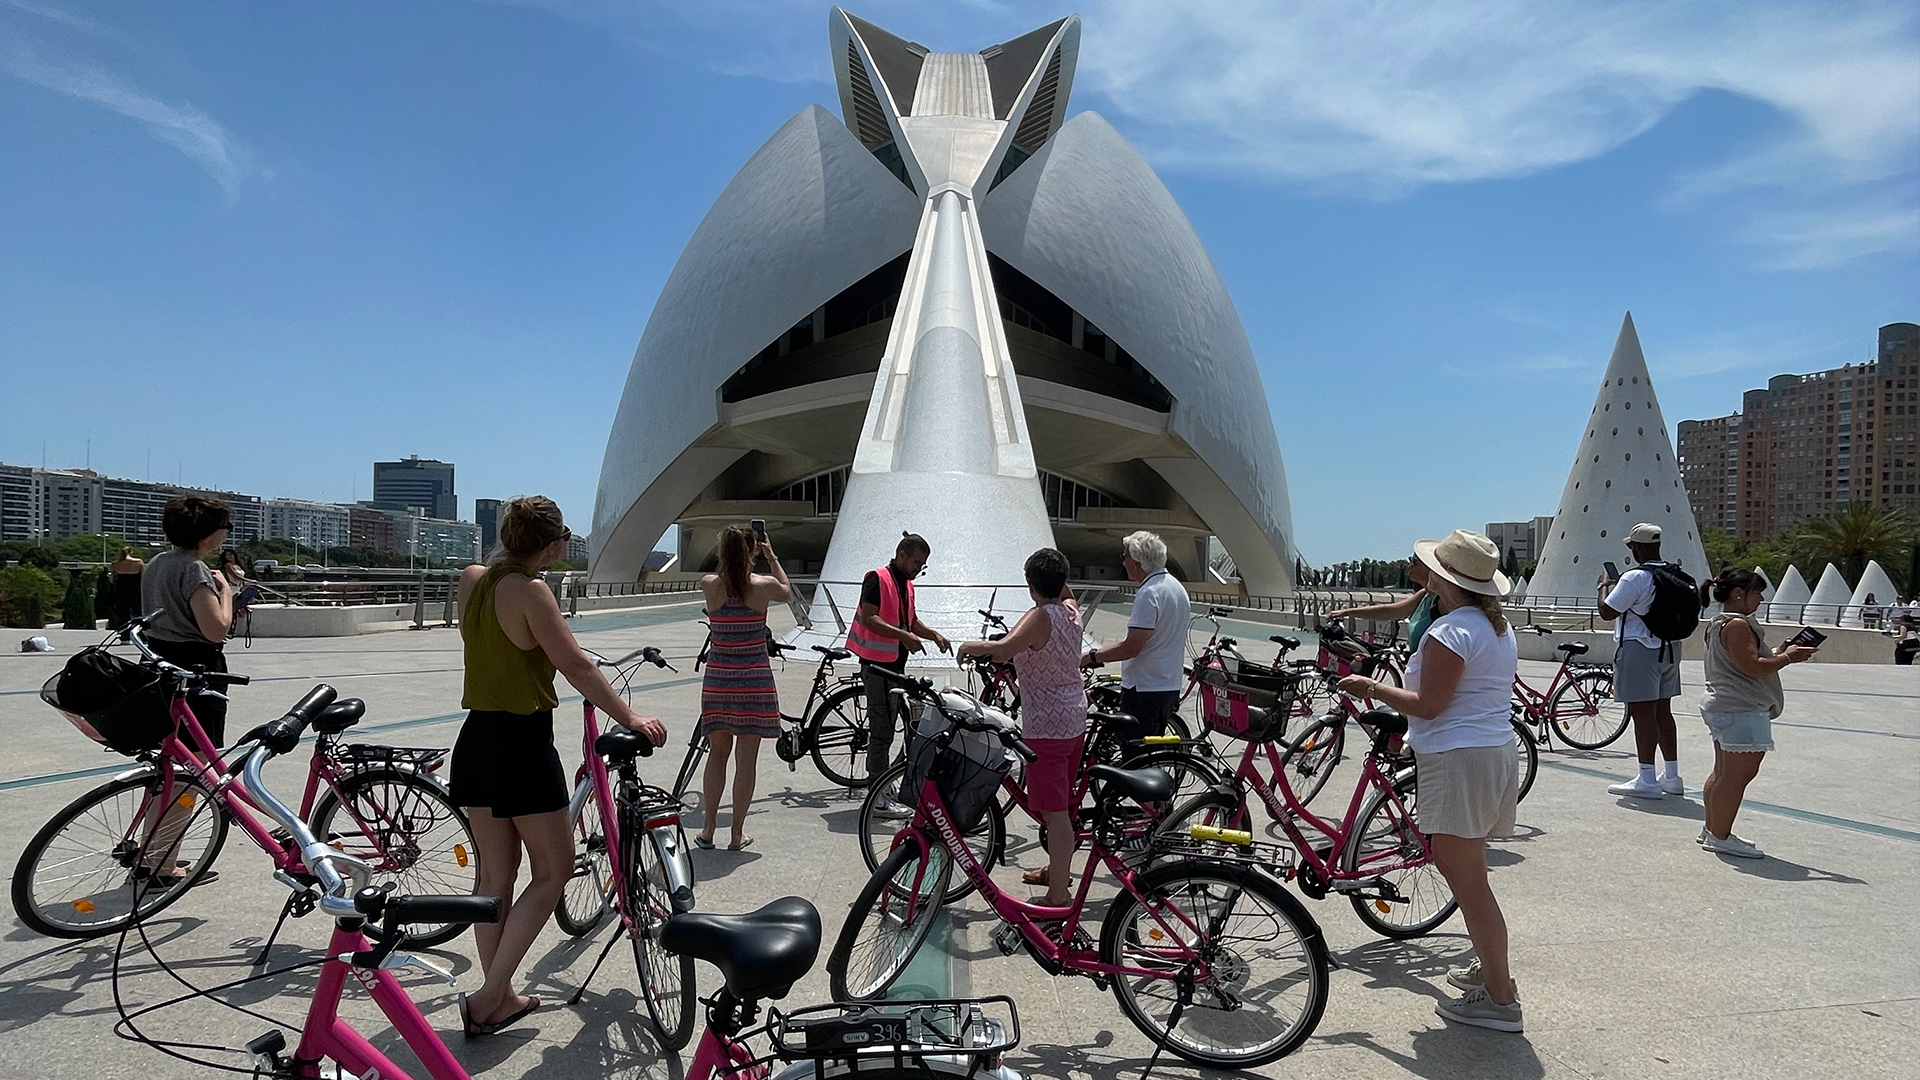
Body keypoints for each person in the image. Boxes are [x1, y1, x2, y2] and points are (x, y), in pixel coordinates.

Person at [451, 496, 666, 1038]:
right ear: (551, 544)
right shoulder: (531, 590)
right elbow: (573, 664)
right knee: (552, 872)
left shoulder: (473, 578)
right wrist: (631, 715)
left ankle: (498, 994)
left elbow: (488, 645)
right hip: (522, 743)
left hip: (476, 738)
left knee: (493, 877)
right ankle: (489, 996)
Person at [1340, 528, 1522, 1032]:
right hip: (1490, 753)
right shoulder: (1495, 628)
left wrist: (1369, 686)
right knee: (1471, 876)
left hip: (1457, 759)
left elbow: (1429, 706)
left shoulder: (1449, 632)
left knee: (1469, 885)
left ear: (1443, 579)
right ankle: (1492, 971)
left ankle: (1501, 999)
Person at [957, 549, 1085, 906]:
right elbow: (1066, 592)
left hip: (1047, 726)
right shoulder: (1071, 612)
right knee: (1063, 806)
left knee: (1055, 813)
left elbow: (1002, 651)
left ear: (1031, 586)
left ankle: (1058, 894)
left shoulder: (1040, 616)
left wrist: (971, 646)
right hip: (1074, 718)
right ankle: (1057, 870)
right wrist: (1057, 575)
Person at [139, 497, 239, 888]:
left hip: (158, 667)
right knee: (192, 770)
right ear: (209, 532)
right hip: (195, 672)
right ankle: (162, 863)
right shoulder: (194, 569)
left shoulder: (158, 563)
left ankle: (150, 849)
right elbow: (215, 629)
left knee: (168, 767)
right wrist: (227, 593)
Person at [1696, 569, 1816, 858]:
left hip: (1724, 705)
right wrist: (1788, 657)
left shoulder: (1718, 623)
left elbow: (1741, 662)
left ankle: (1713, 829)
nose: (1762, 598)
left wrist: (1778, 652)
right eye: (1757, 592)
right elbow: (1751, 667)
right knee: (1736, 776)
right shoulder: (1737, 625)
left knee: (1723, 772)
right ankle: (1720, 836)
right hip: (1741, 708)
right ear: (1739, 594)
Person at [694, 524, 790, 850]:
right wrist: (771, 555)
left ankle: (708, 829)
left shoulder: (710, 586)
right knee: (745, 761)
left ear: (721, 553)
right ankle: (736, 833)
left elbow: (723, 576)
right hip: (754, 683)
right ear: (752, 551)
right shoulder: (761, 586)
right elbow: (787, 591)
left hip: (718, 683)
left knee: (717, 755)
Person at [848, 532, 951, 818]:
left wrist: (933, 635)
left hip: (893, 666)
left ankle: (880, 784)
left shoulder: (906, 584)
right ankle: (878, 797)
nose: (919, 568)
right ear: (902, 555)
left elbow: (910, 621)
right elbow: (871, 618)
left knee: (891, 726)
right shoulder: (877, 578)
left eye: (923, 565)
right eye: (916, 562)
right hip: (877, 665)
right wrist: (904, 636)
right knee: (881, 732)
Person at [1599, 523, 1690, 800]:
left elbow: (1607, 612)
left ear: (1636, 548)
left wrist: (1604, 585)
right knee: (1663, 711)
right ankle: (1672, 777)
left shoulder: (1635, 577)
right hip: (1670, 647)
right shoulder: (1674, 573)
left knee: (1642, 714)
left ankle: (1647, 778)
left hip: (1640, 648)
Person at [1083, 531, 1189, 738]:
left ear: (1137, 563)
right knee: (1151, 754)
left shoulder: (1149, 593)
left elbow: (1132, 647)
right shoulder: (1176, 588)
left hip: (1144, 689)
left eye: (1124, 557)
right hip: (1168, 684)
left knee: (1135, 755)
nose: (1122, 562)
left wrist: (1091, 656)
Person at [1327, 549, 1438, 651]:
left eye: (1414, 562)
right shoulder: (1424, 595)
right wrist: (1347, 612)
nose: (1409, 566)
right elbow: (1389, 611)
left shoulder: (1441, 601)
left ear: (1430, 567)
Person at [217, 549, 261, 637]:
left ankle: (230, 628)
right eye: (227, 555)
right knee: (232, 608)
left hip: (238, 588)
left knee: (236, 608)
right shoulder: (227, 565)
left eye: (230, 554)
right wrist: (250, 580)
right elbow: (235, 576)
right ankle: (228, 629)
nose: (229, 556)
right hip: (231, 589)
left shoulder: (237, 566)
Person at [108, 545, 145, 630]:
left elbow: (112, 580)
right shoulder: (138, 562)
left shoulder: (115, 564)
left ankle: (124, 635)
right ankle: (139, 632)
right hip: (135, 588)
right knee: (137, 611)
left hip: (120, 589)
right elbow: (144, 577)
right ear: (131, 552)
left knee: (122, 612)